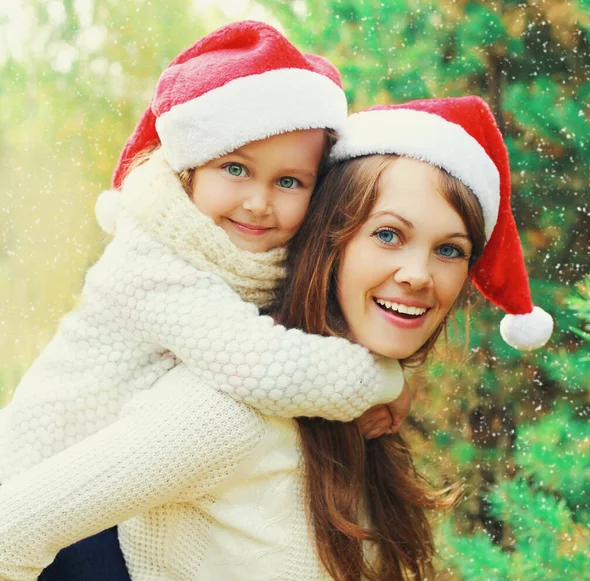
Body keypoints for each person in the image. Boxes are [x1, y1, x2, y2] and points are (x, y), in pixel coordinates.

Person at [1, 95, 552, 580]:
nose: (419, 274)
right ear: (327, 239)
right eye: (388, 234)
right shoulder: (224, 410)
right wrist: (383, 380)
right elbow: (11, 533)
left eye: (449, 250)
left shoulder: (347, 411)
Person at [0, 20, 407, 490]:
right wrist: (383, 378)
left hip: (110, 491)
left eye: (289, 181)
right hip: (33, 479)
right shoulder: (154, 260)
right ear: (190, 169)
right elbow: (262, 367)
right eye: (235, 169)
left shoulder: (253, 262)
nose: (258, 202)